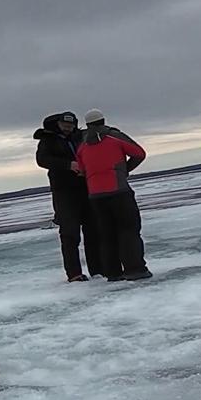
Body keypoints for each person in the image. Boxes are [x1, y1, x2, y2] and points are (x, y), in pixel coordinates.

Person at [75, 109, 153, 281]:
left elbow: (81, 169)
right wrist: (124, 170)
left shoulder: (83, 146)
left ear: (87, 125)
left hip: (96, 196)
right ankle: (135, 269)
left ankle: (113, 273)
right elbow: (139, 153)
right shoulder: (113, 137)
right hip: (119, 192)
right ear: (103, 121)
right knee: (128, 231)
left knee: (106, 234)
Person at [34, 111, 101, 282]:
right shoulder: (48, 140)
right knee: (70, 233)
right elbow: (42, 160)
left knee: (93, 231)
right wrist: (67, 165)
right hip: (64, 191)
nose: (68, 128)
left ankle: (98, 269)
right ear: (58, 124)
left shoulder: (80, 136)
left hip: (86, 188)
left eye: (71, 125)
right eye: (65, 125)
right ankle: (74, 273)